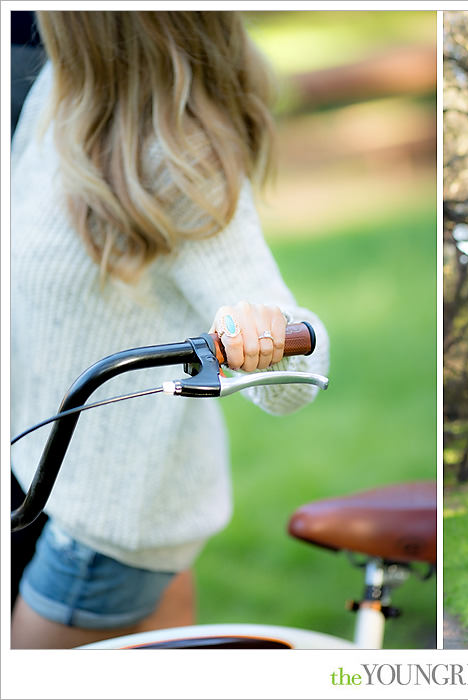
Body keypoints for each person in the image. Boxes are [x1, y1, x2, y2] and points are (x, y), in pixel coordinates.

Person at [9, 11, 329, 648]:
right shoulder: (53, 92)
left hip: (109, 525)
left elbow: (305, 365)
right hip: (48, 473)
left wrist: (267, 333)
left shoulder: (178, 159)